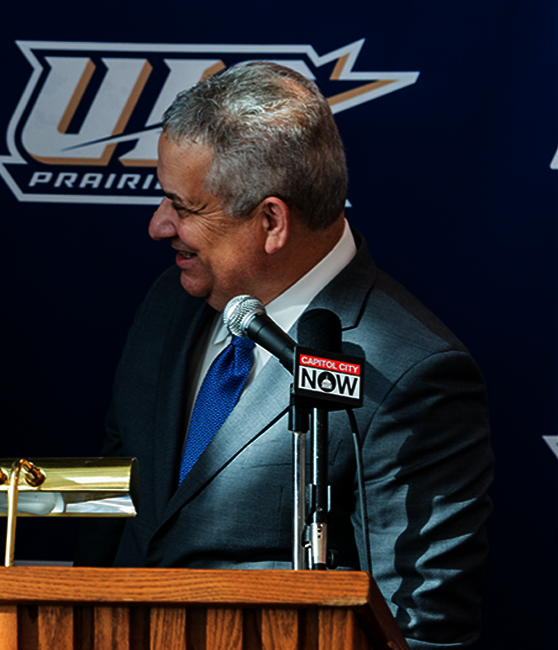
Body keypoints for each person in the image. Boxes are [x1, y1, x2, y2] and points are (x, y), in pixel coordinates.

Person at [74, 62, 492, 648]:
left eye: (183, 207)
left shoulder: (412, 373)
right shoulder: (170, 302)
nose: (158, 225)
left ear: (271, 221)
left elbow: (418, 630)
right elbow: (118, 510)